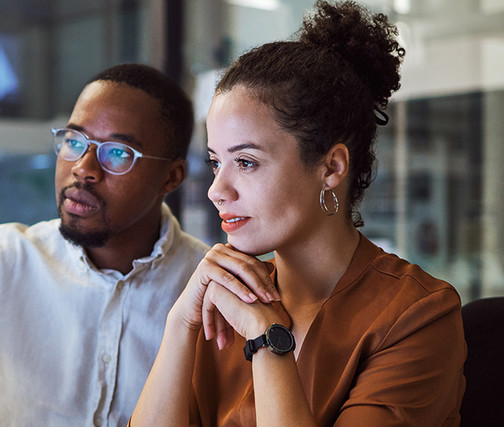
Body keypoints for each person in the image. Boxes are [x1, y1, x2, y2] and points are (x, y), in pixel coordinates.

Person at [130, 2, 466, 426]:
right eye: (216, 162)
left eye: (247, 162)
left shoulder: (417, 315)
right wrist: (180, 323)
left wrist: (267, 339)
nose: (217, 189)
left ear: (331, 168)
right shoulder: (223, 301)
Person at [0, 63, 210, 426]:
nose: (84, 167)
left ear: (171, 176)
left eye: (116, 152)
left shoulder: (209, 290)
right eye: (74, 141)